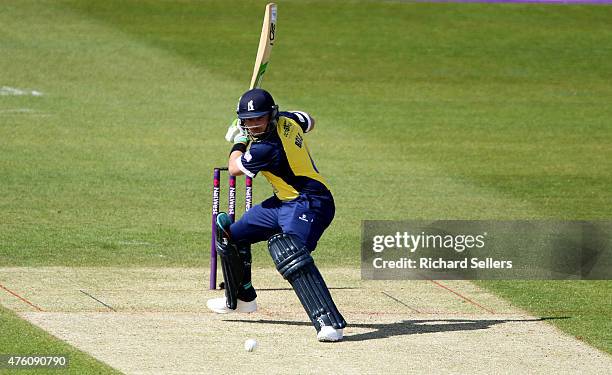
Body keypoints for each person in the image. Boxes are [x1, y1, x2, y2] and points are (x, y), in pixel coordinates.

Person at [206, 88, 347, 342]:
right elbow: (309, 120)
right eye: (247, 121)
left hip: (311, 203)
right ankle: (242, 300)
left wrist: (238, 141)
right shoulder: (290, 119)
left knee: (291, 253)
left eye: (258, 119)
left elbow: (234, 168)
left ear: (271, 115)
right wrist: (249, 129)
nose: (253, 125)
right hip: (284, 201)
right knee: (231, 236)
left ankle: (328, 323)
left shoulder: (265, 148)